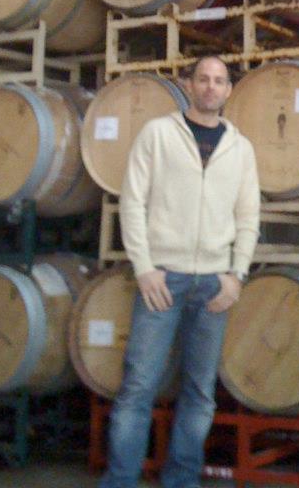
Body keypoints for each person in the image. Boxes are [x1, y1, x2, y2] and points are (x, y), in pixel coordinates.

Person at [100, 56, 260, 488]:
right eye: (203, 79)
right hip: (163, 279)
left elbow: (248, 216)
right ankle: (120, 480)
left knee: (200, 392)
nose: (211, 87)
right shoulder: (158, 134)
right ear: (188, 85)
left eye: (219, 81)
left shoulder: (240, 148)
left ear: (228, 90)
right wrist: (144, 267)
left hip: (213, 284)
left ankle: (182, 479)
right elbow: (132, 201)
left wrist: (237, 275)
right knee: (138, 386)